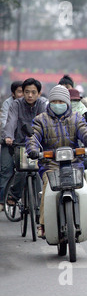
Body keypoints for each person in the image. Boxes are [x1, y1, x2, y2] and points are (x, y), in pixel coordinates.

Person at [26, 85, 87, 238]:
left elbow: (86, 131)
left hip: (74, 163)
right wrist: (33, 149)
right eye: (55, 101)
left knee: (83, 189)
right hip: (50, 164)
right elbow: (33, 136)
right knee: (48, 188)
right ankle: (44, 225)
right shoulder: (40, 120)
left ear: (67, 102)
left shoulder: (76, 117)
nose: (58, 104)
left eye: (61, 101)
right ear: (50, 102)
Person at [0, 78, 47, 208]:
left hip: (39, 144)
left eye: (33, 92)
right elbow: (11, 122)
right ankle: (14, 195)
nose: (30, 95)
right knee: (21, 170)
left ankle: (40, 203)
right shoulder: (16, 104)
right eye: (27, 92)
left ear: (39, 93)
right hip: (20, 144)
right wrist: (8, 136)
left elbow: (46, 122)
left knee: (40, 172)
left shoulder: (43, 104)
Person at [0, 81, 24, 212]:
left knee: (30, 171)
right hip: (9, 141)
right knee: (6, 170)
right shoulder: (7, 104)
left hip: (26, 143)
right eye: (19, 92)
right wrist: (9, 137)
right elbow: (5, 122)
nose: (23, 95)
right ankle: (1, 201)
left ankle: (35, 203)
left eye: (24, 91)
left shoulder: (32, 103)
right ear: (13, 94)